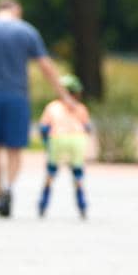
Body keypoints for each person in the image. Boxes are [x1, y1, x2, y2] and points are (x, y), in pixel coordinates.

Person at [0, 0, 79, 218]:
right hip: (17, 95)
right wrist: (64, 96)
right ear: (16, 10)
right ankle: (9, 187)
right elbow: (46, 66)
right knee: (14, 149)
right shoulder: (26, 31)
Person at [38, 75, 93, 219]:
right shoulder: (80, 108)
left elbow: (43, 128)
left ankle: (43, 204)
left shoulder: (52, 107)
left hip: (58, 139)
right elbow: (87, 127)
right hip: (77, 139)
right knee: (77, 175)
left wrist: (46, 143)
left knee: (51, 173)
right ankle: (82, 206)